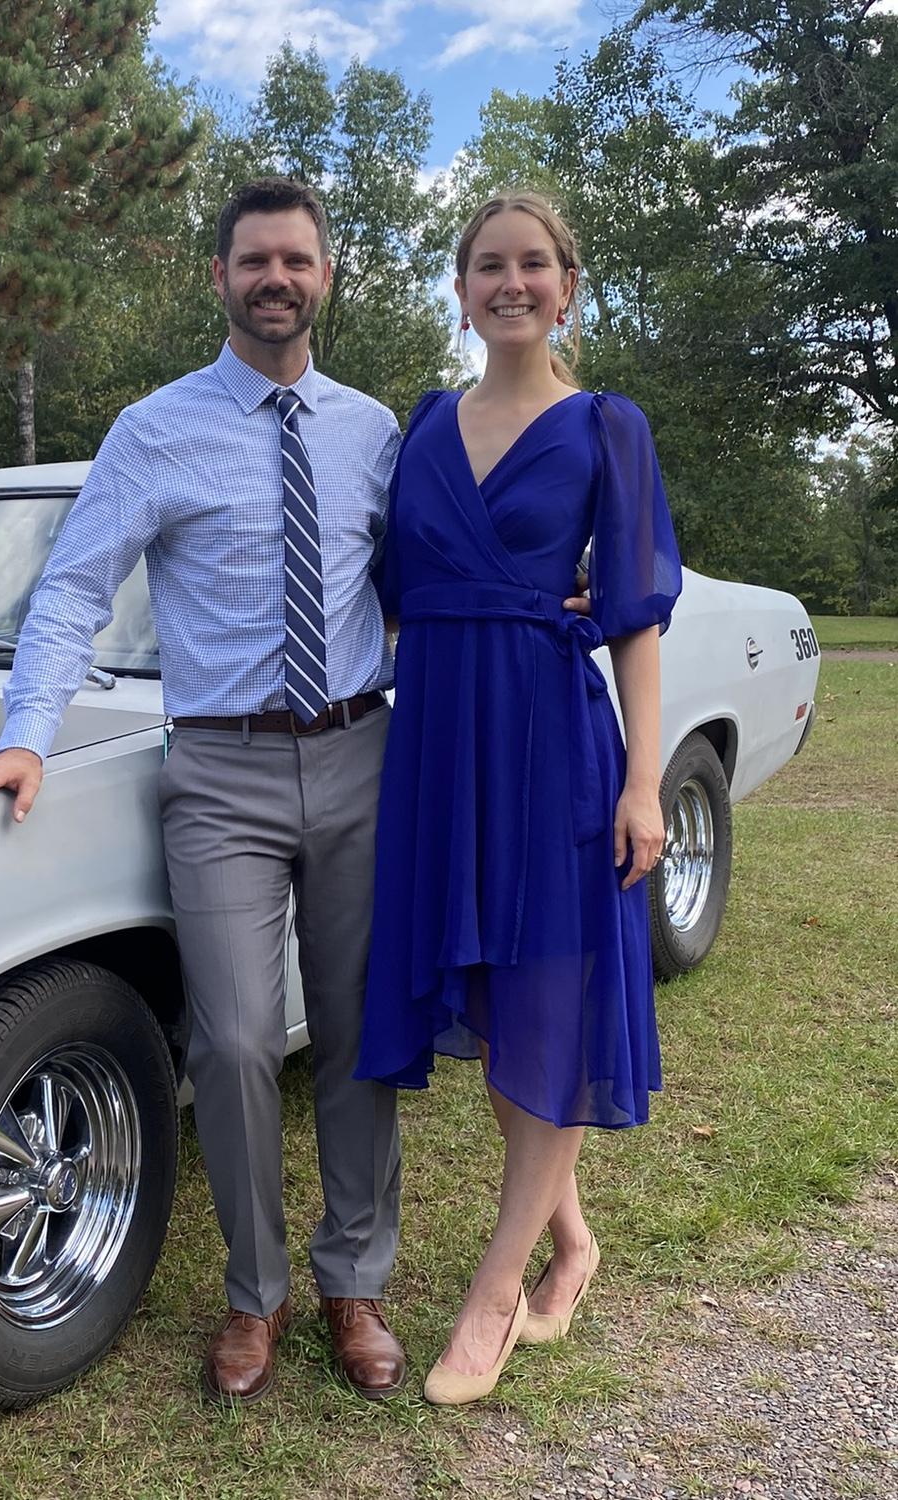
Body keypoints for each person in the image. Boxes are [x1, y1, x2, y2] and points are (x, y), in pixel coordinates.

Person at [0, 177, 411, 1403]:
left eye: (296, 259)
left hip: (361, 755)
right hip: (221, 773)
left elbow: (418, 589)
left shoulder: (374, 432)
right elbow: (74, 589)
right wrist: (28, 735)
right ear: (220, 277)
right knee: (238, 1039)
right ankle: (257, 1293)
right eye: (254, 260)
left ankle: (356, 1282)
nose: (276, 279)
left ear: (327, 275)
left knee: (359, 1032)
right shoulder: (154, 429)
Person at [355, 191, 683, 1405]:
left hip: (553, 744)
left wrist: (644, 781)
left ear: (567, 286)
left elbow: (636, 619)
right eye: (489, 265)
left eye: (533, 264)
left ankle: (495, 1292)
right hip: (442, 744)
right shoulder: (424, 427)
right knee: (499, 1018)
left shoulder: (606, 427)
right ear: (460, 290)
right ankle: (573, 1241)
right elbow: (389, 590)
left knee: (549, 1004)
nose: (511, 282)